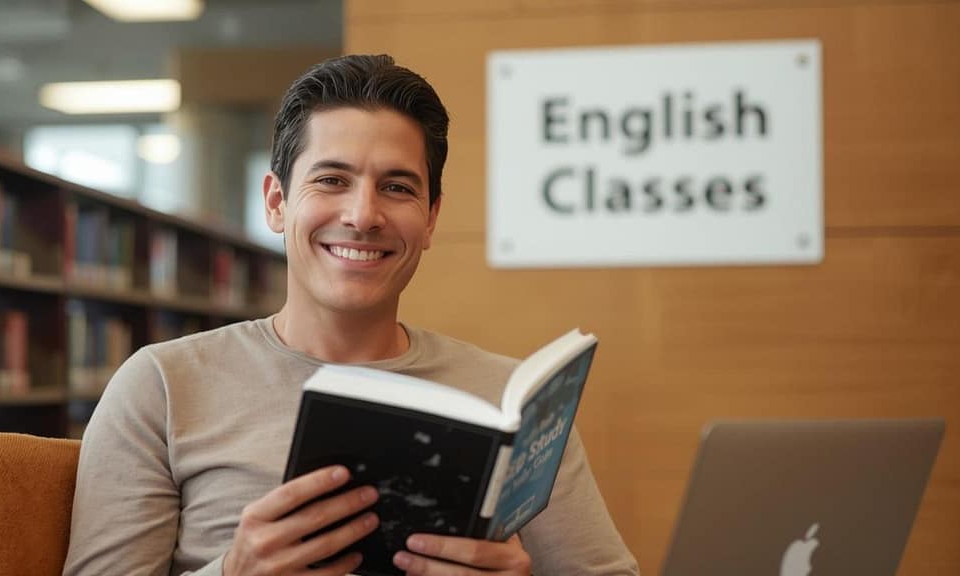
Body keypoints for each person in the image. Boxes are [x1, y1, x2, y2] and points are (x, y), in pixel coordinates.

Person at [63, 54, 640, 576]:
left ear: (432, 218)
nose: (363, 215)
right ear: (276, 202)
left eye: (396, 187)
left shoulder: (516, 401)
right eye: (332, 180)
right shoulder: (163, 386)